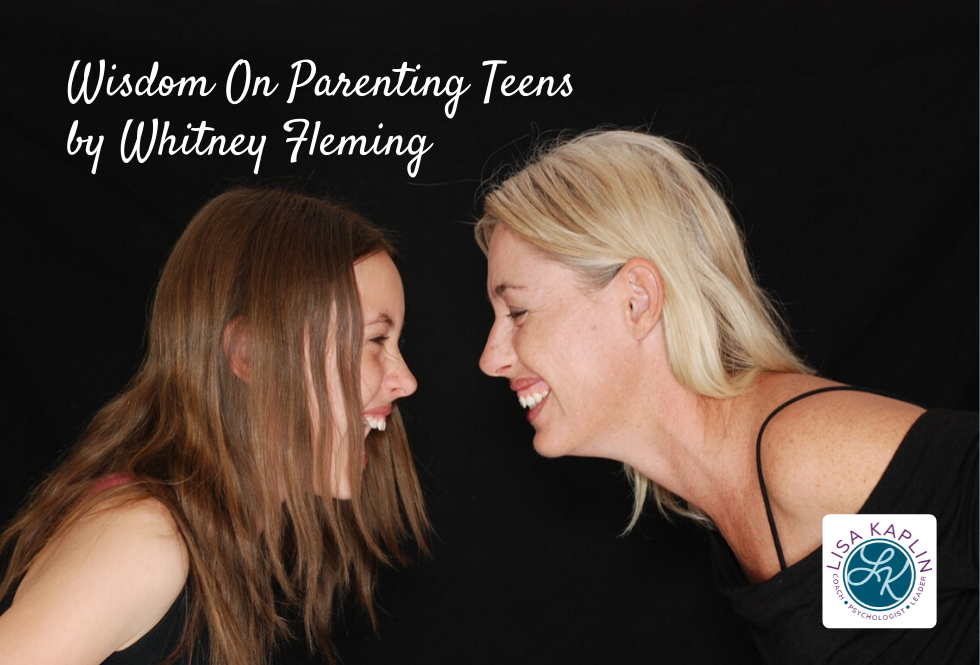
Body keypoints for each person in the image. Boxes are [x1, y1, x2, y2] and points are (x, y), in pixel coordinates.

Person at [475, 130, 977, 662]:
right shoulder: (735, 494)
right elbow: (914, 620)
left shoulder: (799, 453)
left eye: (518, 312)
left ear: (637, 301)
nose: (490, 358)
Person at [0, 188, 428, 664]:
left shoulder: (223, 544)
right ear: (249, 353)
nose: (405, 380)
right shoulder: (143, 541)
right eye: (375, 340)